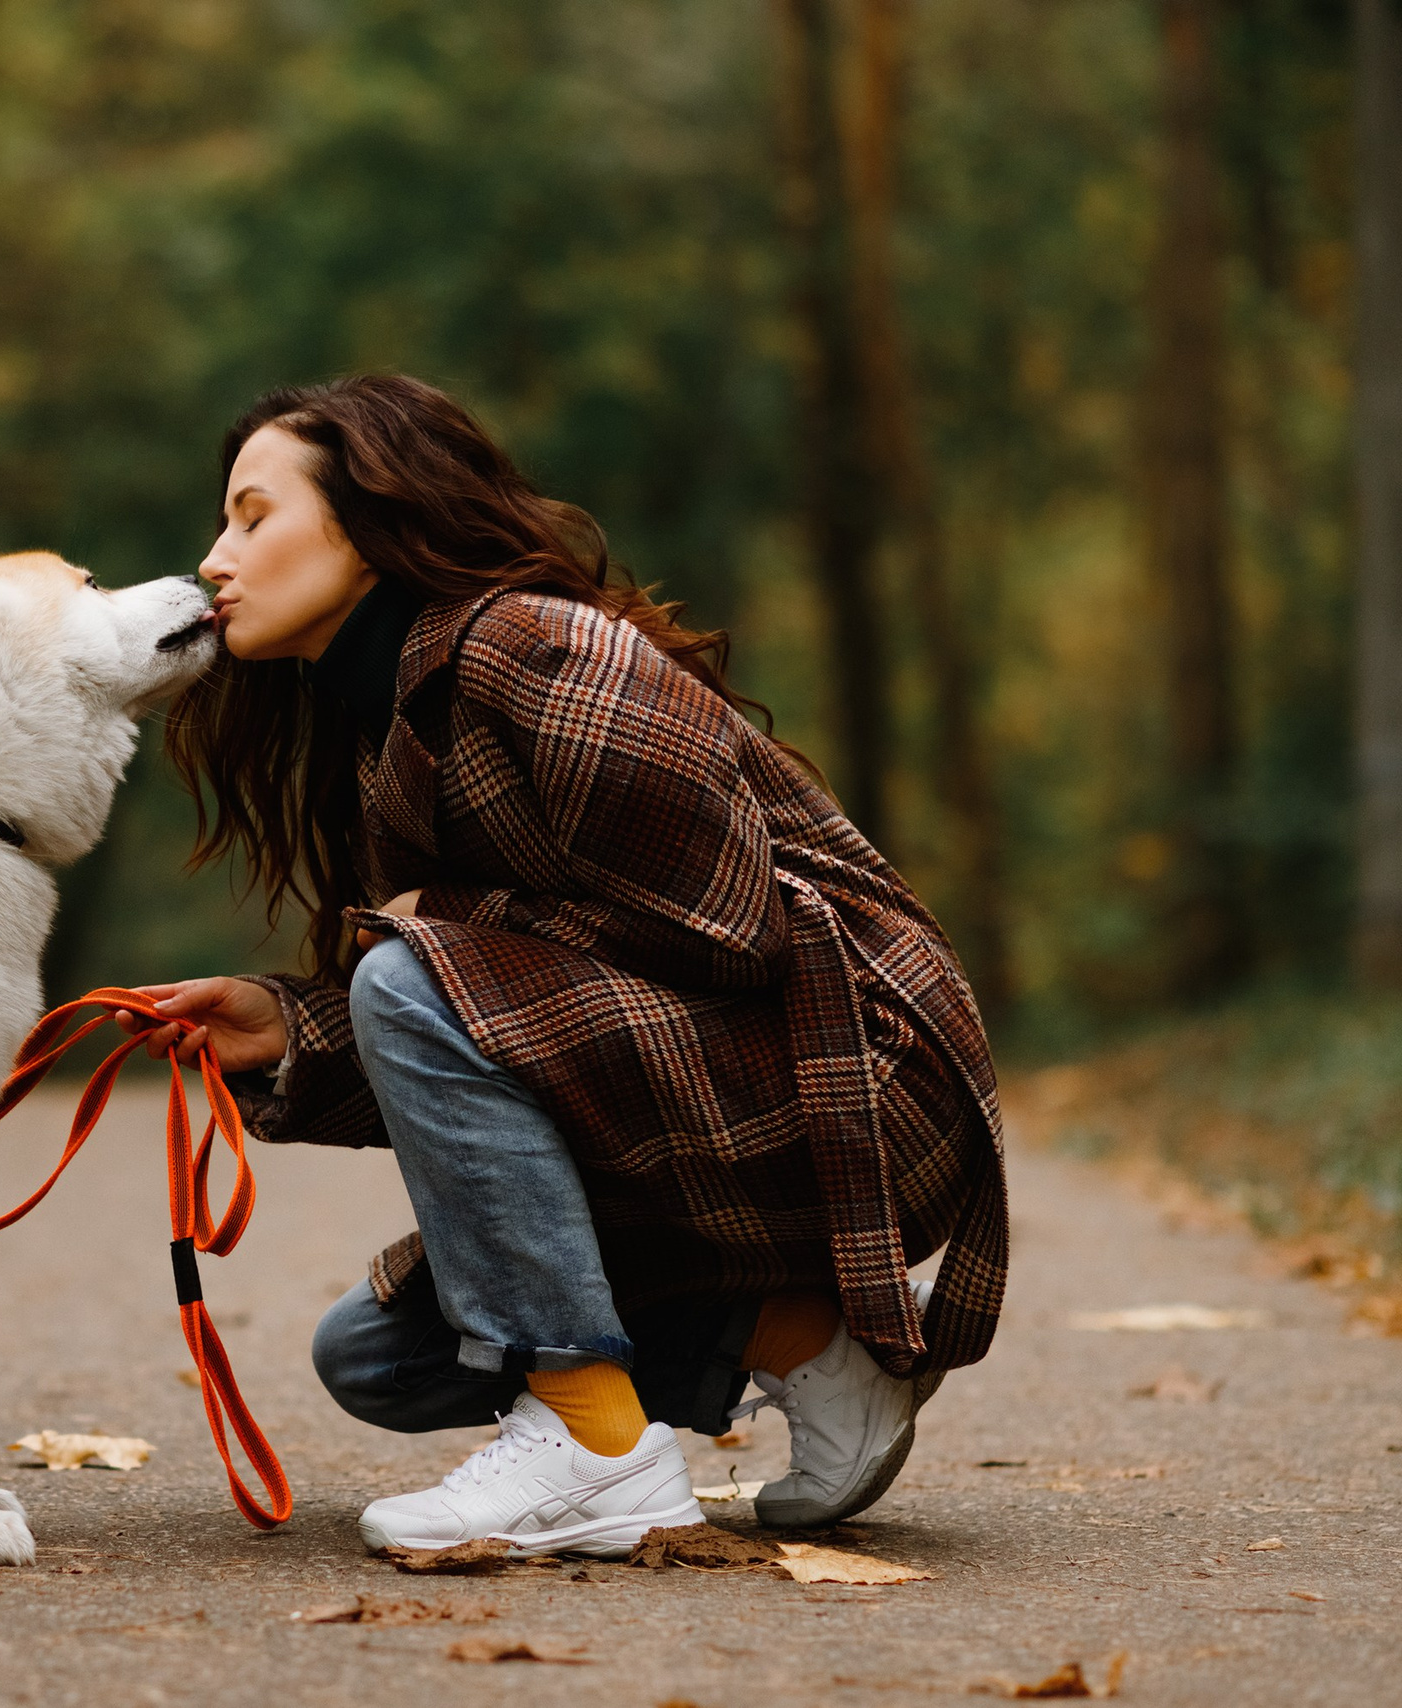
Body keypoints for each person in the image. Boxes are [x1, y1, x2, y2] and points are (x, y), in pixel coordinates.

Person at [117, 374, 1006, 1558]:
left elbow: (736, 928)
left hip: (865, 1076)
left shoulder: (532, 643)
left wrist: (441, 918)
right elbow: (494, 1026)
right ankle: (800, 1336)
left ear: (374, 519)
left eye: (253, 514)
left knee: (407, 974)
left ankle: (595, 1446)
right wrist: (292, 1030)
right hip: (741, 1077)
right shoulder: (387, 724)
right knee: (375, 1359)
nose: (214, 558)